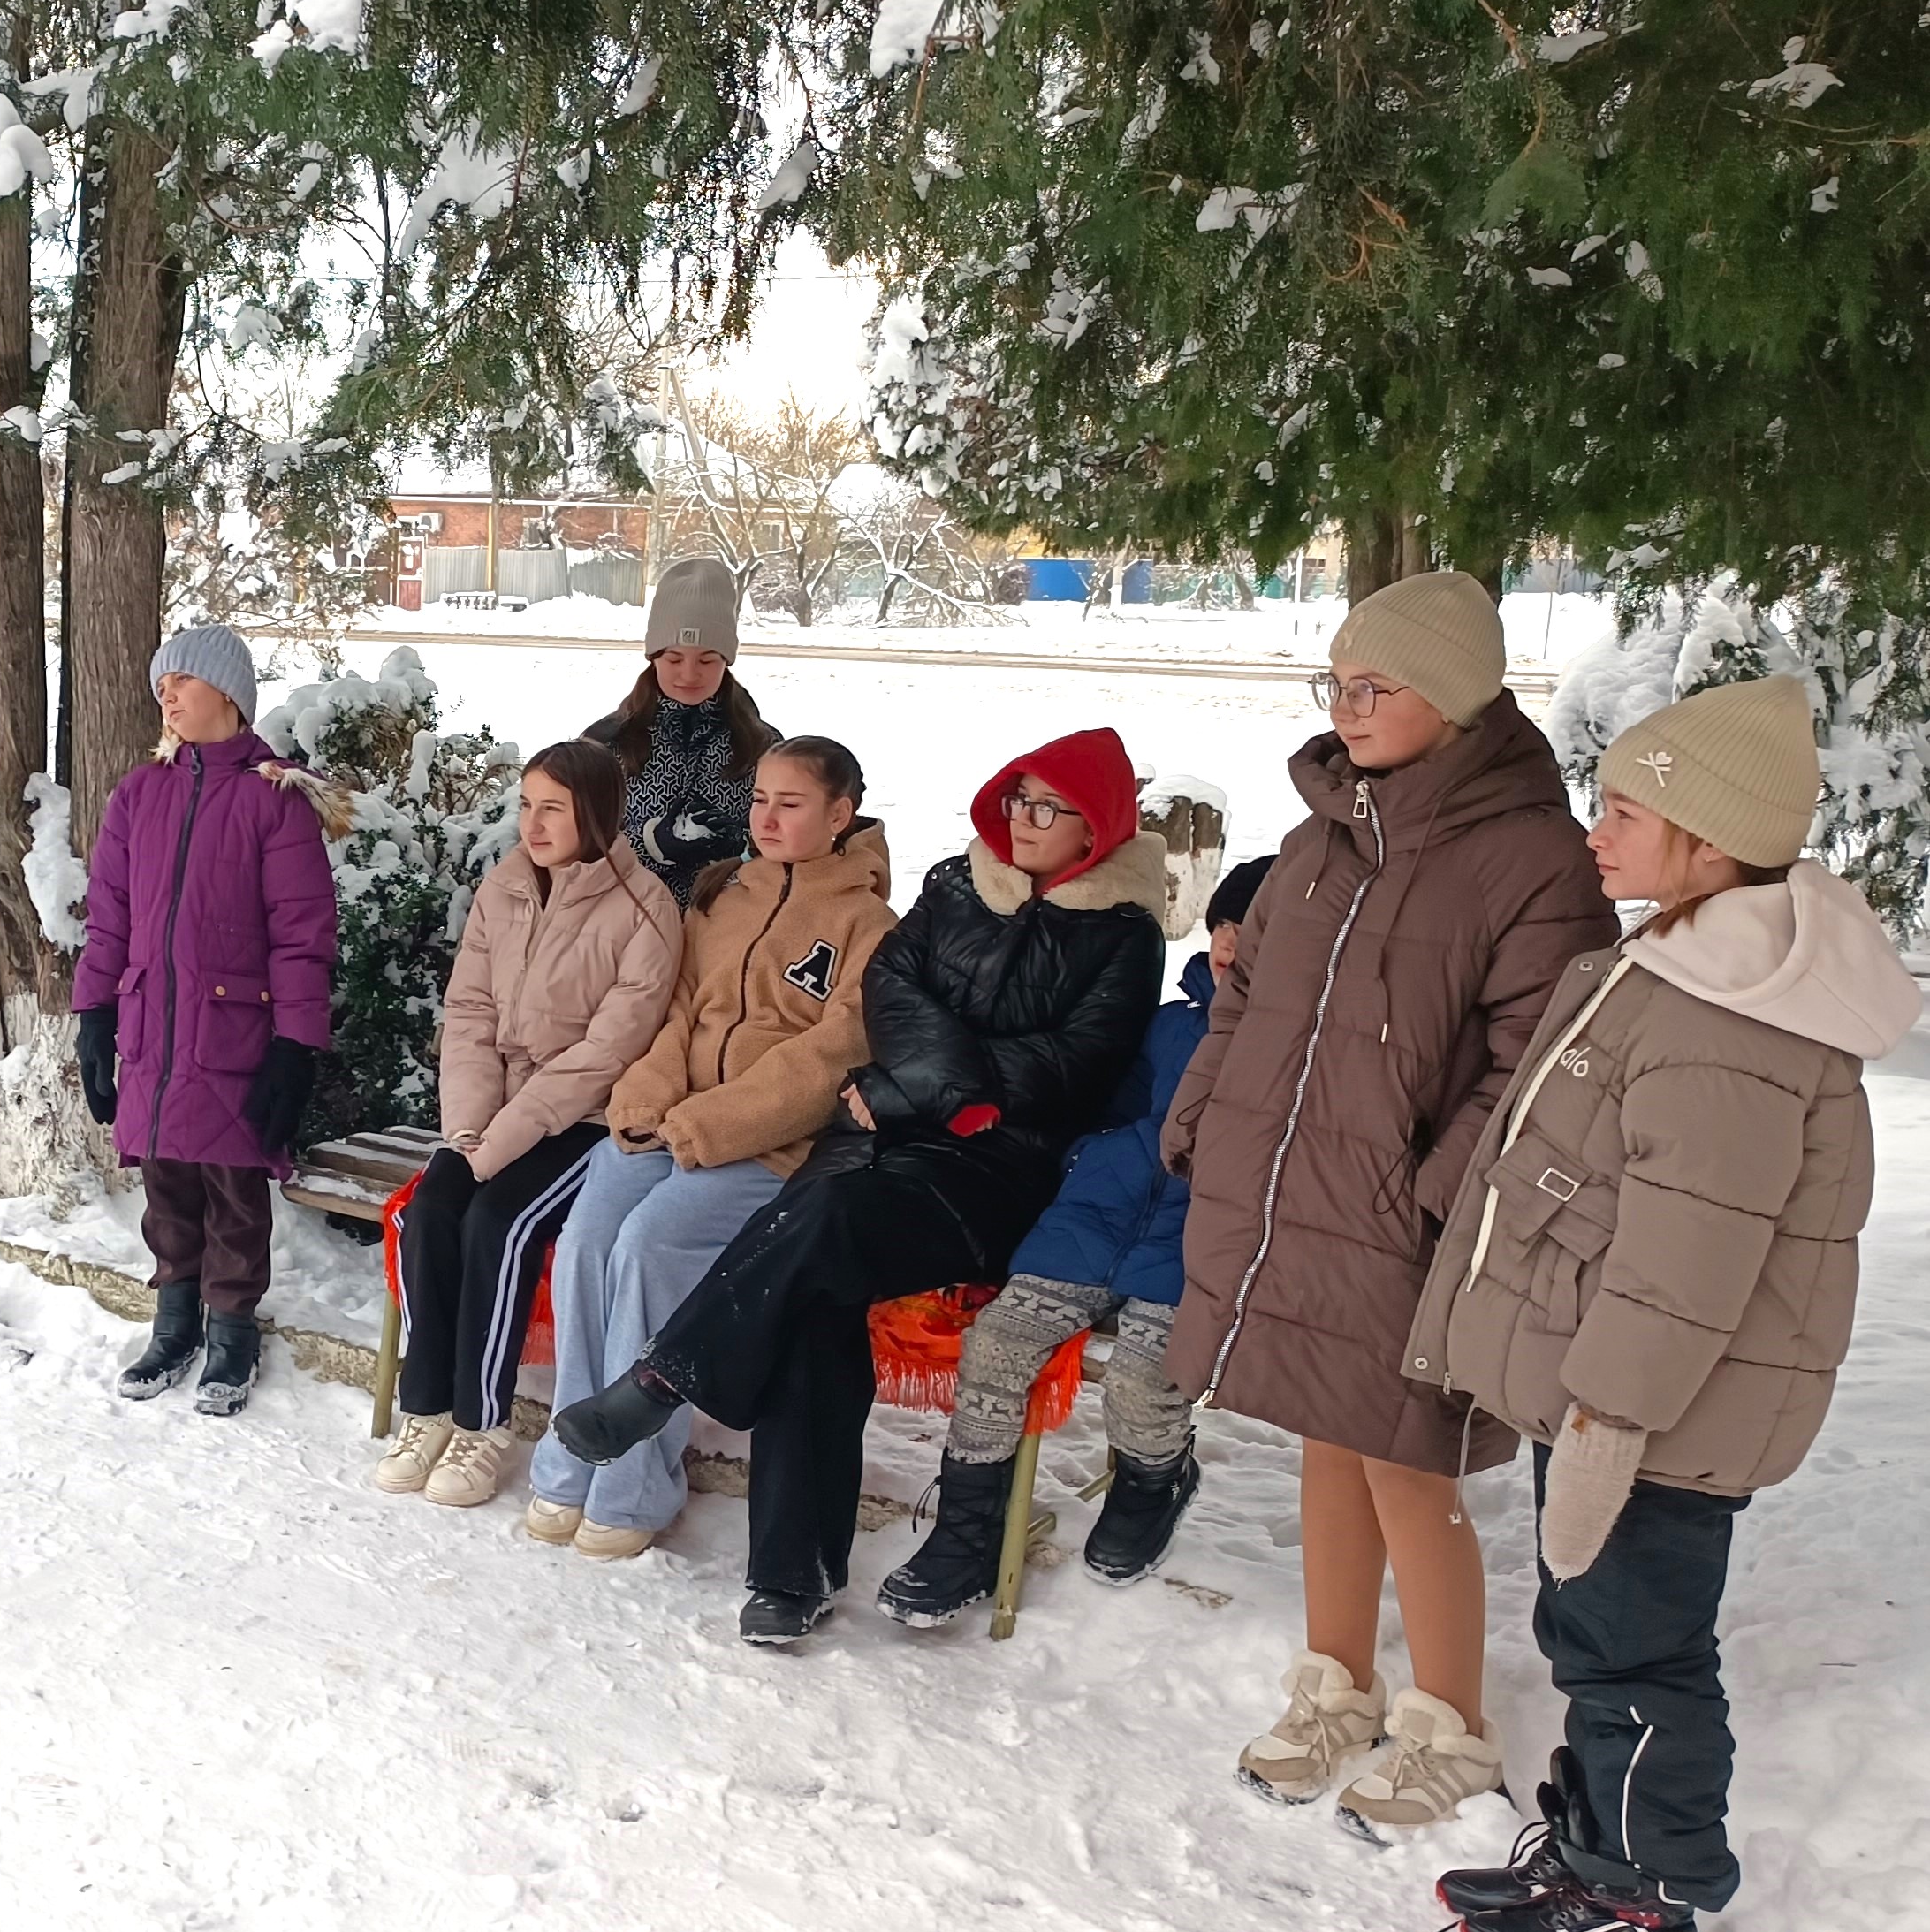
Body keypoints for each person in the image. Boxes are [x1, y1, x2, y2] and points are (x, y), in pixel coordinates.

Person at [1409, 678, 1912, 1932]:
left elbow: (1682, 1264)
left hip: (1653, 1415)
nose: (1596, 832)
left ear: (1707, 840)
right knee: (1593, 1634)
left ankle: (1639, 1911)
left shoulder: (1730, 1018)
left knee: (1633, 1655)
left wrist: (1606, 1420)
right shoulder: (1686, 965)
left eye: (1624, 812)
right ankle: (1588, 1860)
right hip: (1613, 1395)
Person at [1163, 573, 1614, 1837]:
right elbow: (1245, 1000)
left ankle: (1446, 1724)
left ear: (1455, 695)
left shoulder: (1529, 857)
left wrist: (1432, 1188)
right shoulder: (1319, 839)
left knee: (1407, 1464)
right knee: (1325, 1440)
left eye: (1374, 686)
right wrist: (1202, 1113)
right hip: (1295, 1194)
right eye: (1336, 682)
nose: (1345, 707)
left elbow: (1542, 1062)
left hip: (1410, 1221)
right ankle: (1333, 1684)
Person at [556, 729, 1168, 1646]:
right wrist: (923, 1082)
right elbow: (893, 989)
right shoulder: (957, 885)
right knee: (812, 1293)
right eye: (1019, 799)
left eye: (1051, 808)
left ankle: (660, 1376)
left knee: (824, 1224)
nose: (1026, 820)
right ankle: (790, 1576)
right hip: (875, 1133)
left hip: (994, 1172)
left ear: (1099, 826)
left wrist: (915, 1084)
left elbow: (1069, 1068)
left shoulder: (1122, 934)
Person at [878, 853, 1278, 1626]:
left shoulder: (1292, 1054)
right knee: (996, 1344)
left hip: (1195, 1246)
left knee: (1143, 1374)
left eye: (1254, 933)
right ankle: (967, 1531)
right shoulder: (1169, 1024)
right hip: (1091, 1221)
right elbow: (1108, 1105)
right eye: (1225, 925)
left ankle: (1153, 1478)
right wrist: (1093, 1158)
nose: (1230, 944)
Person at [523, 738, 895, 1560]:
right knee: (587, 1241)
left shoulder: (867, 925)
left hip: (764, 1147)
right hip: (668, 1120)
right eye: (759, 798)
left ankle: (632, 1483)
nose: (767, 817)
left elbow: (827, 1059)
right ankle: (570, 1455)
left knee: (647, 1246)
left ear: (840, 814)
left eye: (790, 803)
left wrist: (710, 1124)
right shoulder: (721, 895)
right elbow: (677, 1009)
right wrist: (646, 1098)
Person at [374, 742, 682, 1507]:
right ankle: (427, 1408)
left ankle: (481, 1423)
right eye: (525, 805)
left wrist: (501, 1142)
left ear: (596, 814)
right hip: (491, 1112)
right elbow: (469, 1013)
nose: (532, 824)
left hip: (579, 1119)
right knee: (426, 1213)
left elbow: (607, 1051)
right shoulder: (504, 887)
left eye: (553, 808)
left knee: (499, 1225)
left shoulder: (645, 907)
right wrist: (467, 1131)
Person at [75, 625, 339, 1417]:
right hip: (150, 1030)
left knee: (231, 1190)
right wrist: (93, 1013)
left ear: (226, 691)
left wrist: (296, 1046)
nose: (167, 697)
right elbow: (109, 918)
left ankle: (231, 1328)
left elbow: (302, 936)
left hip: (234, 1034)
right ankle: (174, 1320)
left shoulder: (274, 800)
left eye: (181, 681)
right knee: (166, 1184)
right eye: (161, 686)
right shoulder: (138, 794)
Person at [584, 558, 779, 908]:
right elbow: (575, 845)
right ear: (653, 657)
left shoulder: (764, 747)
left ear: (727, 659)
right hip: (627, 926)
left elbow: (793, 839)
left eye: (707, 660)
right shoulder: (605, 744)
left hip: (730, 927)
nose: (689, 675)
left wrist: (742, 847)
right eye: (674, 659)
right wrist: (651, 844)